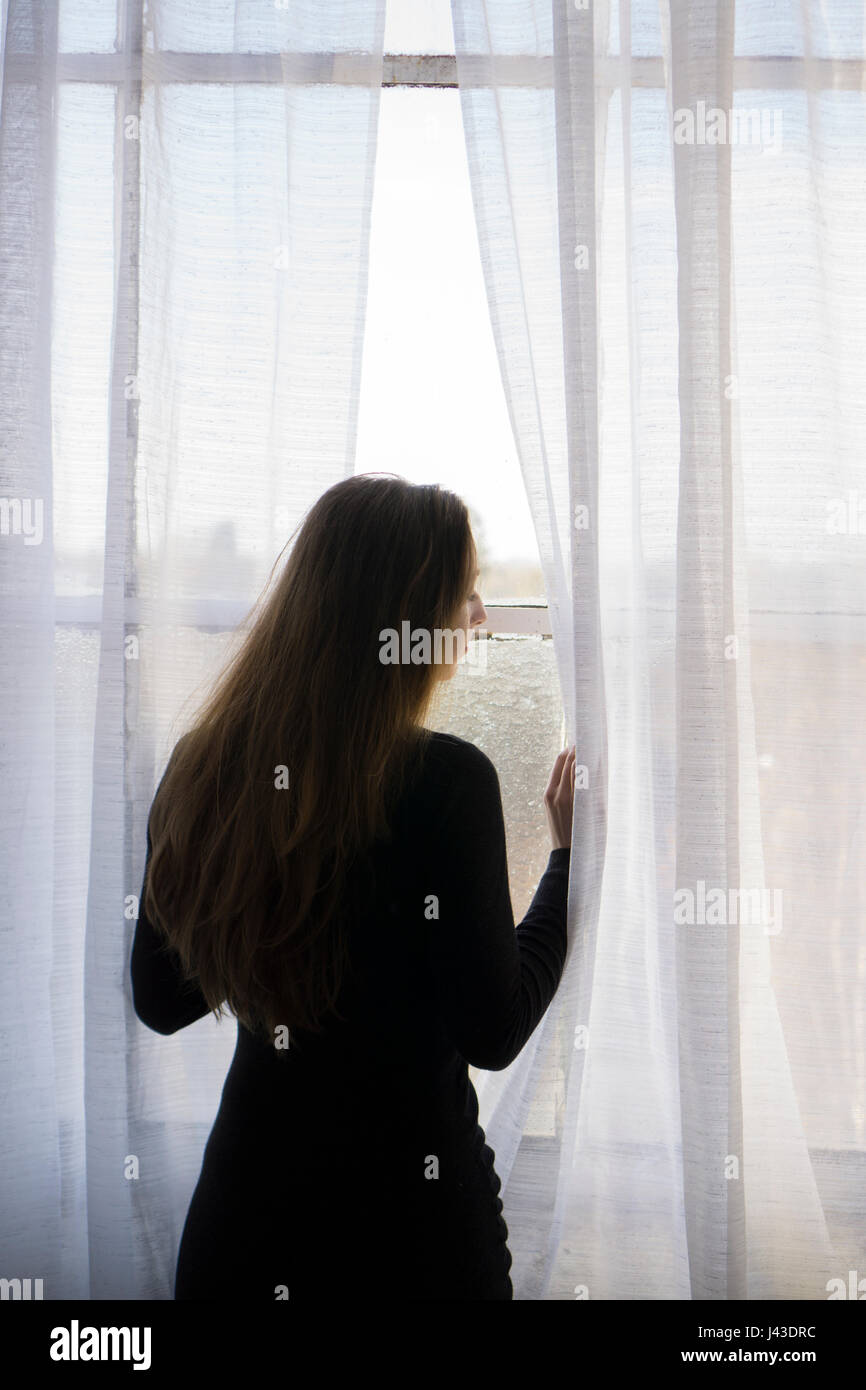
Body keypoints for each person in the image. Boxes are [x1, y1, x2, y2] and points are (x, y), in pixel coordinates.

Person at [130, 473, 575, 1300]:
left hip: (246, 1229)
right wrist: (566, 869)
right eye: (465, 593)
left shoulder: (206, 767)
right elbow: (494, 1029)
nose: (479, 617)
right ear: (402, 620)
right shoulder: (446, 783)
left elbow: (163, 1001)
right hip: (412, 1240)